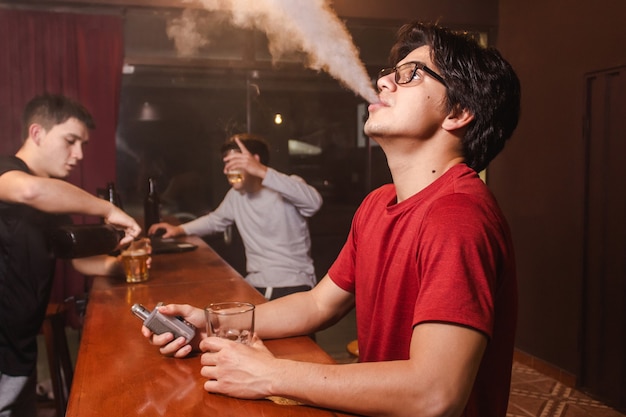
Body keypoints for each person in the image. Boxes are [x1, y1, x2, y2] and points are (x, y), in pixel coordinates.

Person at [144, 21, 520, 417]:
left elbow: (434, 395)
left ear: (459, 112)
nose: (385, 84)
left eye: (409, 75)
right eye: (389, 74)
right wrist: (205, 321)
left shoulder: (457, 216)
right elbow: (317, 305)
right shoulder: (377, 204)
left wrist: (270, 374)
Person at [0, 93, 141, 417]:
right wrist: (108, 209)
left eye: (83, 145)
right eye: (70, 141)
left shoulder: (52, 196)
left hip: (19, 343)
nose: (78, 154)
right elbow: (29, 191)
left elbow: (77, 260)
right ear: (37, 133)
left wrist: (129, 266)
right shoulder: (7, 171)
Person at [148, 133, 323, 300]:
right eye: (226, 164)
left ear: (254, 161)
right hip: (257, 282)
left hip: (293, 284)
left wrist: (261, 171)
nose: (226, 170)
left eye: (233, 163)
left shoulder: (288, 185)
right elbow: (215, 220)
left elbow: (314, 203)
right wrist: (178, 229)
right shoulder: (236, 195)